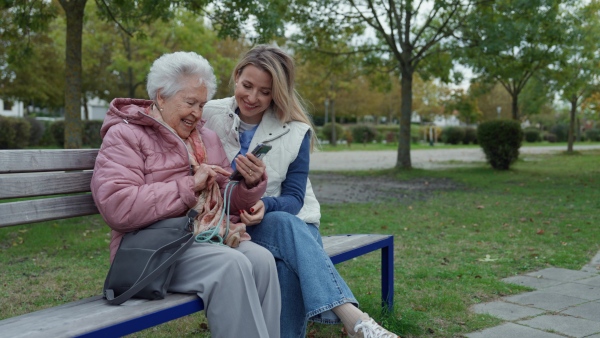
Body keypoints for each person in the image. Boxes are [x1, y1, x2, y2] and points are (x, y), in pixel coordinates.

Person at [203, 45, 398, 338]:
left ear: (277, 93)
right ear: (236, 76)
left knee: (284, 243)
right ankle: (354, 319)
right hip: (224, 226)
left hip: (285, 226)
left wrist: (265, 206)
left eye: (265, 91)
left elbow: (294, 199)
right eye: (247, 86)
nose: (253, 97)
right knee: (285, 255)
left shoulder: (295, 131)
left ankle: (353, 321)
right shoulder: (209, 114)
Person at [90, 51, 280, 338]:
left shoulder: (206, 138)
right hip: (150, 251)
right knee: (231, 264)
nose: (197, 113)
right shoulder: (125, 136)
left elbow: (225, 199)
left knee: (262, 260)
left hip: (201, 238)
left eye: (202, 105)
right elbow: (118, 207)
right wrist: (189, 186)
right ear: (161, 97)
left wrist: (249, 185)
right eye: (190, 103)